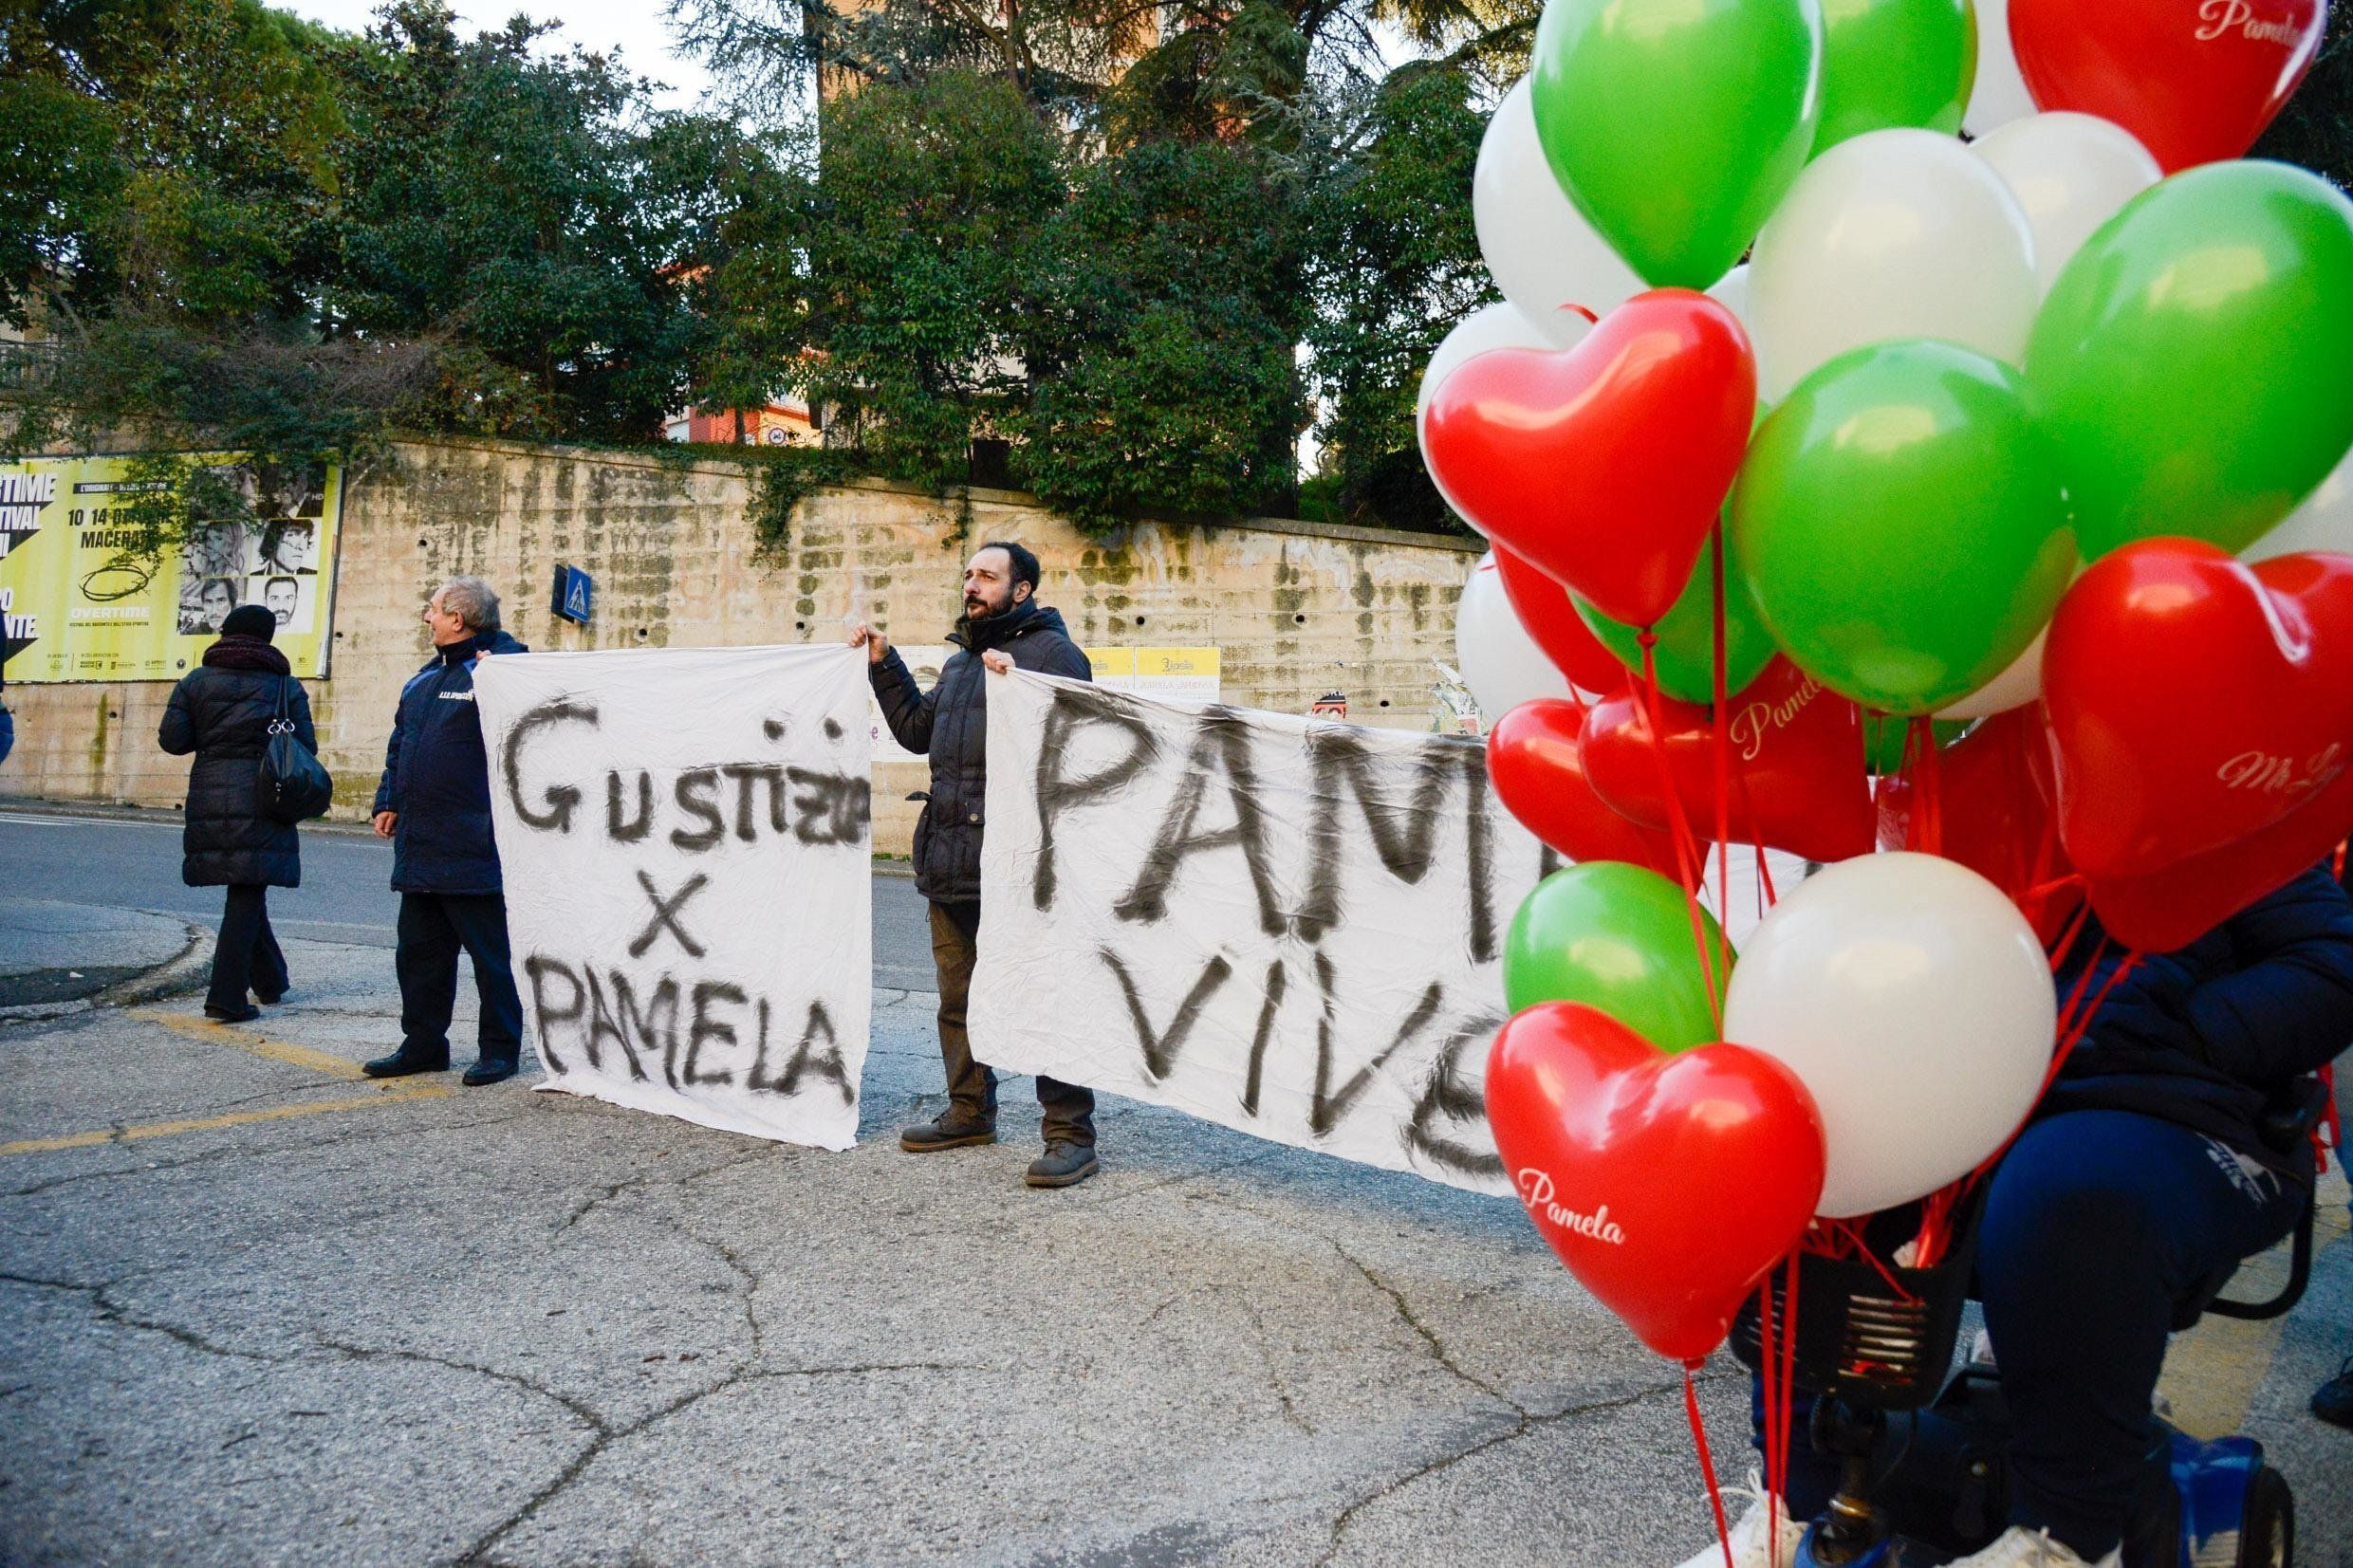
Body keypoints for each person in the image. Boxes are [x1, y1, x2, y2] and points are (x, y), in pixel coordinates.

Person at [1685, 864, 2353, 1568]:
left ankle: (2067, 1538)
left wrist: (2176, 1027)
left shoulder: (2214, 805)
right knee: (1802, 1170)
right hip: (1973, 1099)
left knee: (2066, 1193)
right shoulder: (1970, 783)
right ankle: (1802, 1504)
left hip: (2164, 1104)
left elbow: (2334, 962)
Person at [850, 541, 1101, 1189]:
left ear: (1021, 590)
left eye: (987, 575)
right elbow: (915, 730)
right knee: (956, 997)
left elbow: (1082, 745)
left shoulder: (1052, 654)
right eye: (969, 573)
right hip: (952, 859)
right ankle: (969, 1109)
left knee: (1041, 998)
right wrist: (885, 663)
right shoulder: (962, 662)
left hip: (1020, 867)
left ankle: (1070, 1132)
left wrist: (1024, 692)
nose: (973, 583)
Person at [363, 577, 529, 1087]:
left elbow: (541, 724)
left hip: (477, 846)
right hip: (422, 844)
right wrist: (388, 800)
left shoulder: (504, 671)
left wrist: (506, 670)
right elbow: (400, 746)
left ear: (458, 619)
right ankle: (423, 1045)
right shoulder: (421, 680)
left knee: (491, 960)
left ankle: (499, 1050)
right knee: (418, 955)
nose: (426, 617)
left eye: (432, 609)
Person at [157, 603, 315, 1023]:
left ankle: (270, 982)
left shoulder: (196, 681)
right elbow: (307, 749)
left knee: (247, 885)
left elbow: (173, 741)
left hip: (210, 792)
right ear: (267, 638)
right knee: (247, 888)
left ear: (225, 632)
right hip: (266, 795)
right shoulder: (285, 685)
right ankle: (226, 998)